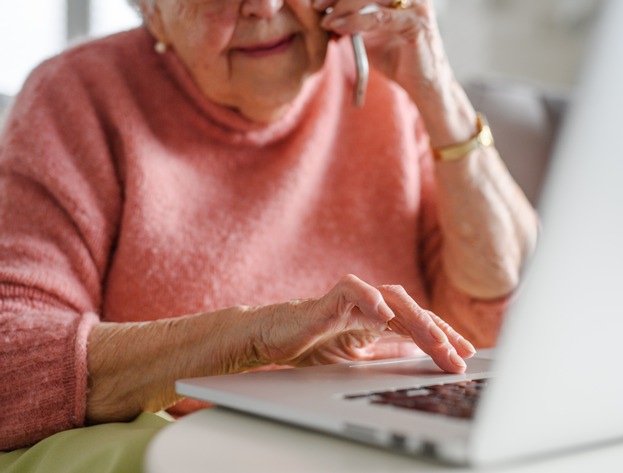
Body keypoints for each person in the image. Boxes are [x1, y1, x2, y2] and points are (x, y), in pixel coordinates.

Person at [0, 0, 538, 460]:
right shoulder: (78, 96)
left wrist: (436, 90)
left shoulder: (384, 83)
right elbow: (16, 365)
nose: (264, 5)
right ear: (152, 14)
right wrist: (253, 338)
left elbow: (484, 325)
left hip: (397, 445)